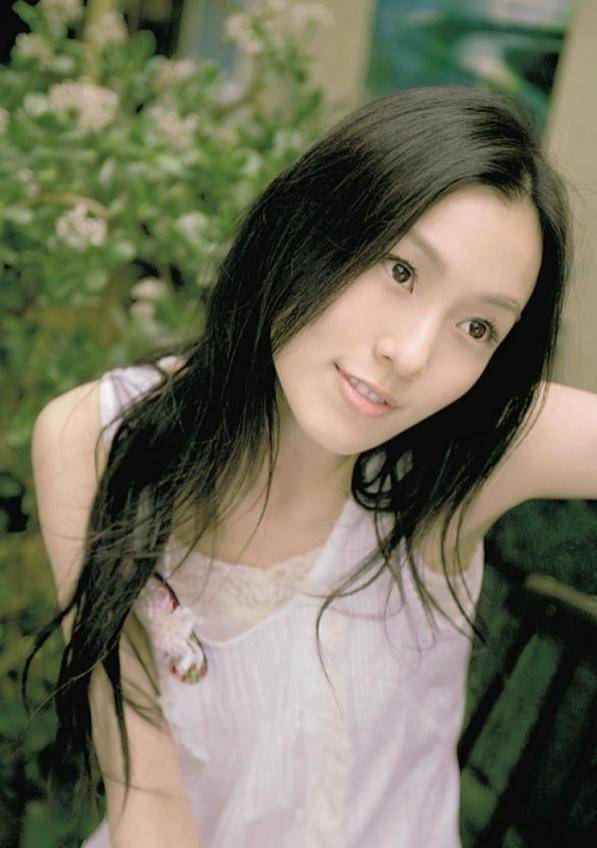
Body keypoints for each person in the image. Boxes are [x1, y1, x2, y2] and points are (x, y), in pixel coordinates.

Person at [24, 85, 597, 848]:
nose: (410, 354)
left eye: (476, 327)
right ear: (309, 225)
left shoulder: (465, 451)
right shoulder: (95, 440)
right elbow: (148, 797)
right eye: (400, 270)